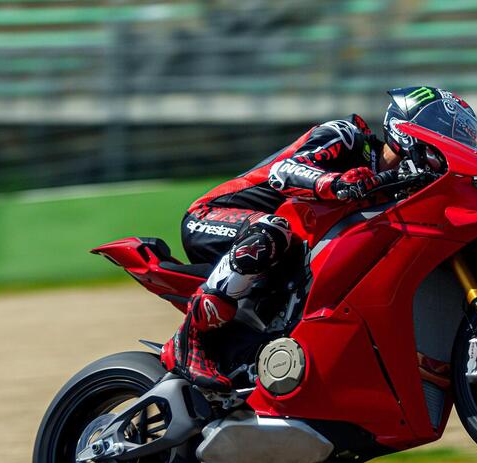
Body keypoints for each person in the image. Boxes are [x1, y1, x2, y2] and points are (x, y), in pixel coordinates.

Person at [166, 110, 407, 392]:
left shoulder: (398, 188)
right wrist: (336, 182)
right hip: (211, 216)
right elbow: (284, 171)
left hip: (281, 251)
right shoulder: (346, 136)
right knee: (273, 230)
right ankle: (189, 339)